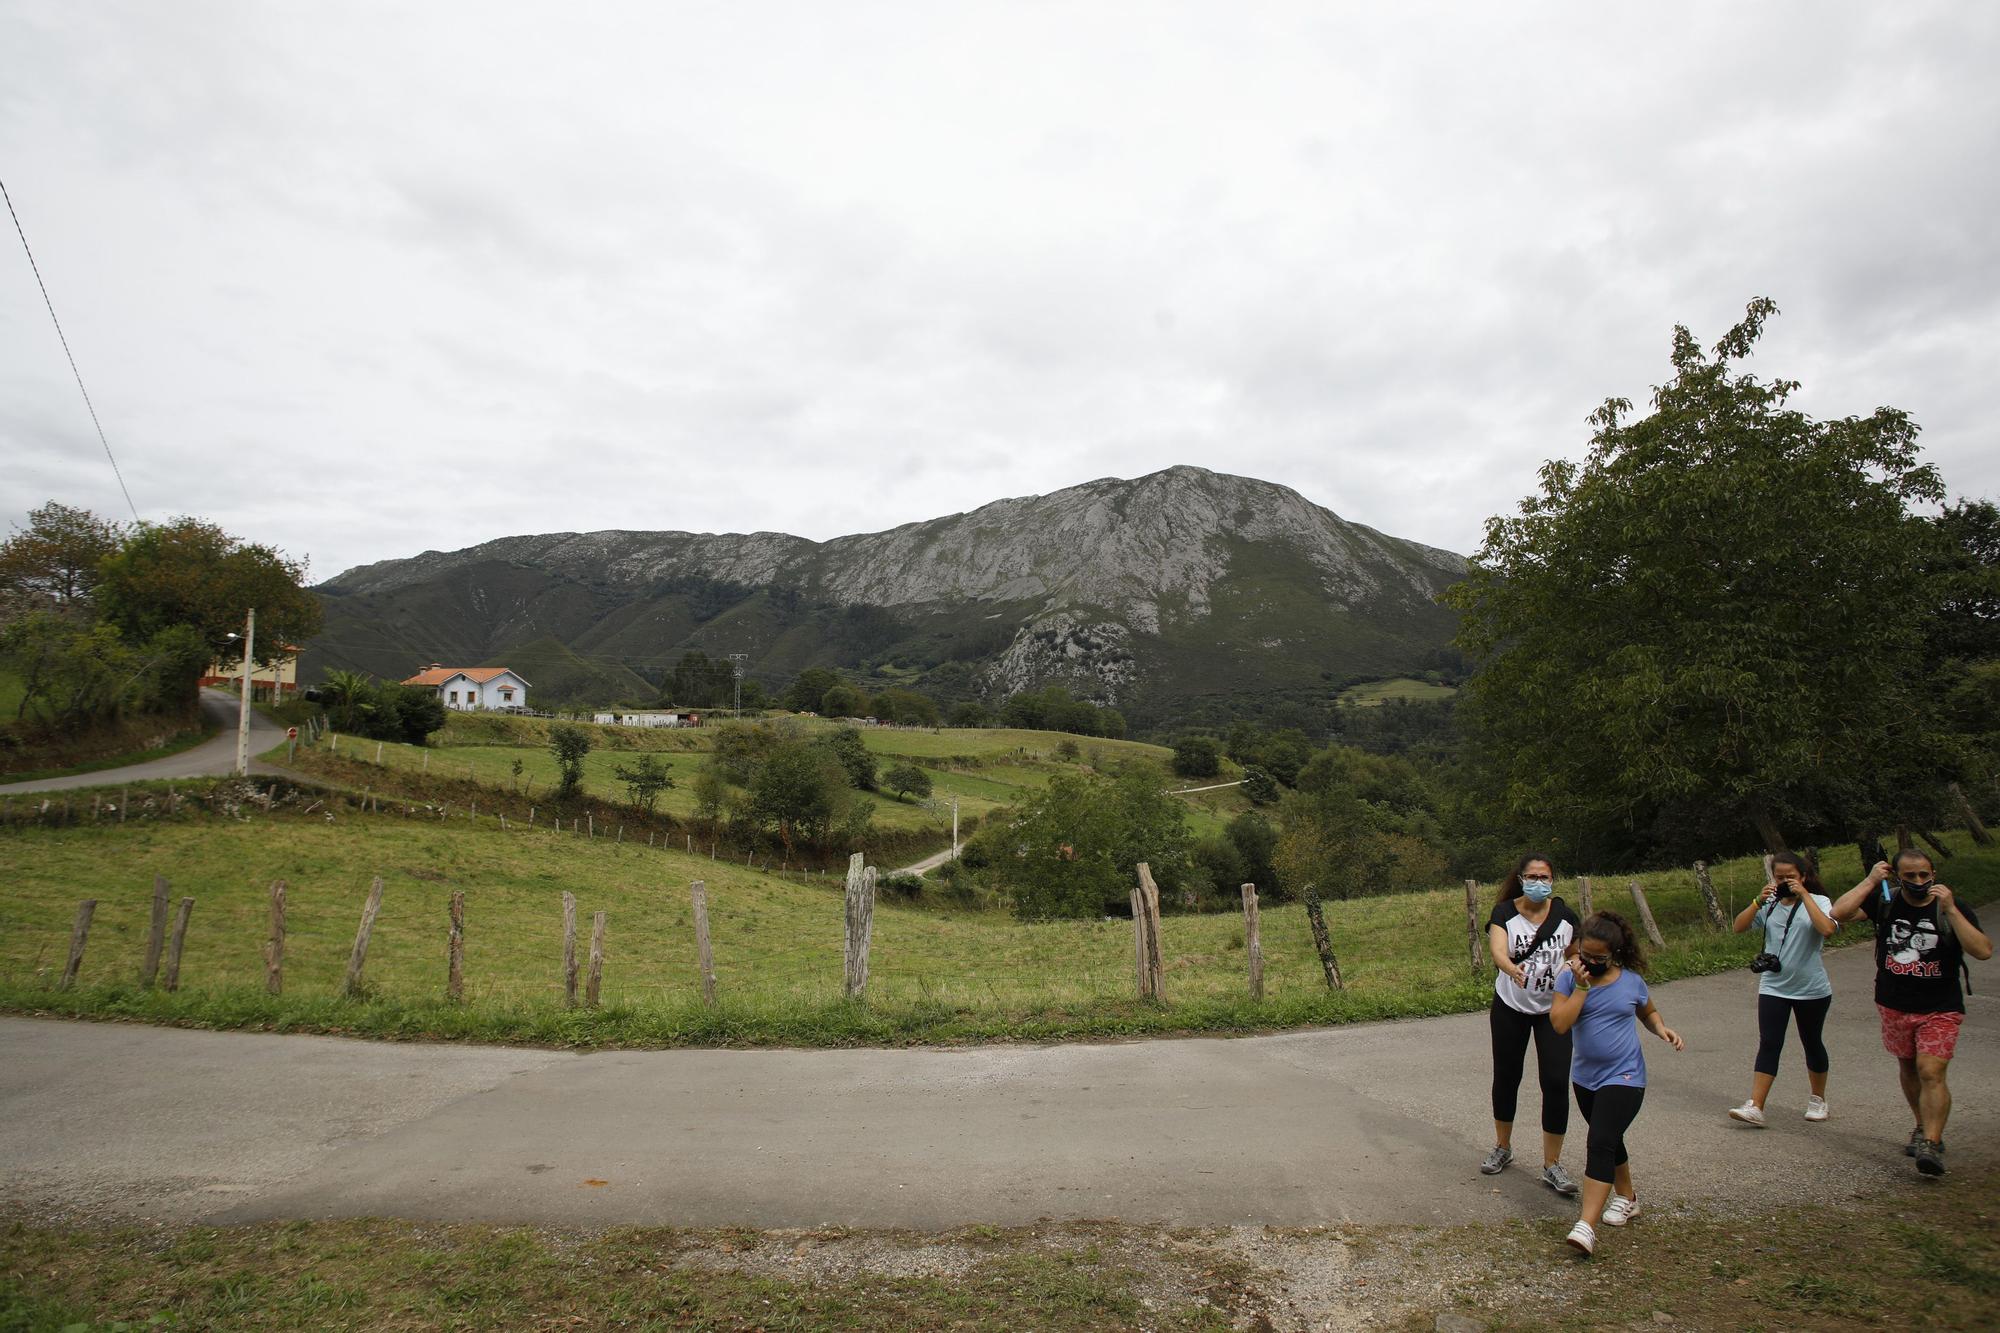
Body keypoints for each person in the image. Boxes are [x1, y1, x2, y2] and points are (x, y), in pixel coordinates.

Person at [1831, 850, 1991, 1176]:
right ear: (1898, 877)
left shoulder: (1951, 907)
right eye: (1910, 876)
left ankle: (1931, 1144)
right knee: (1908, 1065)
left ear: (1933, 873)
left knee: (1931, 1070)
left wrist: (1950, 909)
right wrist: (1872, 880)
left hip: (1941, 1006)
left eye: (1924, 875)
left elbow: (1983, 951)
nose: (1919, 882)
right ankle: (1921, 1126)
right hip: (1893, 1002)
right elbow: (1839, 912)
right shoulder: (1885, 901)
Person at [1549, 910, 1684, 1256]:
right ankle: (1627, 1198)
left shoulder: (1631, 982)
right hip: (1585, 1078)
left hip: (1626, 1076)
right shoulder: (1568, 980)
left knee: (1600, 1141)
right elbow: (1561, 1025)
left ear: (1615, 954)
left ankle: (1586, 1226)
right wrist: (1580, 987)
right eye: (1585, 955)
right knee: (1610, 1138)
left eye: (1598, 957)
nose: (1590, 962)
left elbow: (1647, 1011)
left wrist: (1661, 1028)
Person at [1480, 854, 1582, 1196]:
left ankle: (1552, 1164)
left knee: (1555, 1081)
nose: (1539, 882)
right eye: (1532, 876)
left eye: (1545, 876)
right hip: (1510, 1005)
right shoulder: (1505, 913)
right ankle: (1502, 1146)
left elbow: (1577, 951)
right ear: (1521, 879)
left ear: (1552, 879)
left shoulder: (1565, 917)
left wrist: (1577, 968)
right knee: (1507, 1076)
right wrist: (1510, 968)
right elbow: (1497, 949)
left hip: (1552, 1009)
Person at [1727, 852, 1838, 1126]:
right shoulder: (1771, 904)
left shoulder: (1820, 901)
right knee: (1769, 1043)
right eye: (1779, 878)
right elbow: (1738, 928)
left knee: (1811, 1042)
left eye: (1791, 877)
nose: (1785, 882)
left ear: (1803, 877)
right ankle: (1756, 1105)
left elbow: (1827, 929)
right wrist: (1757, 902)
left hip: (1811, 988)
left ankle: (1818, 1099)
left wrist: (1805, 896)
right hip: (1774, 986)